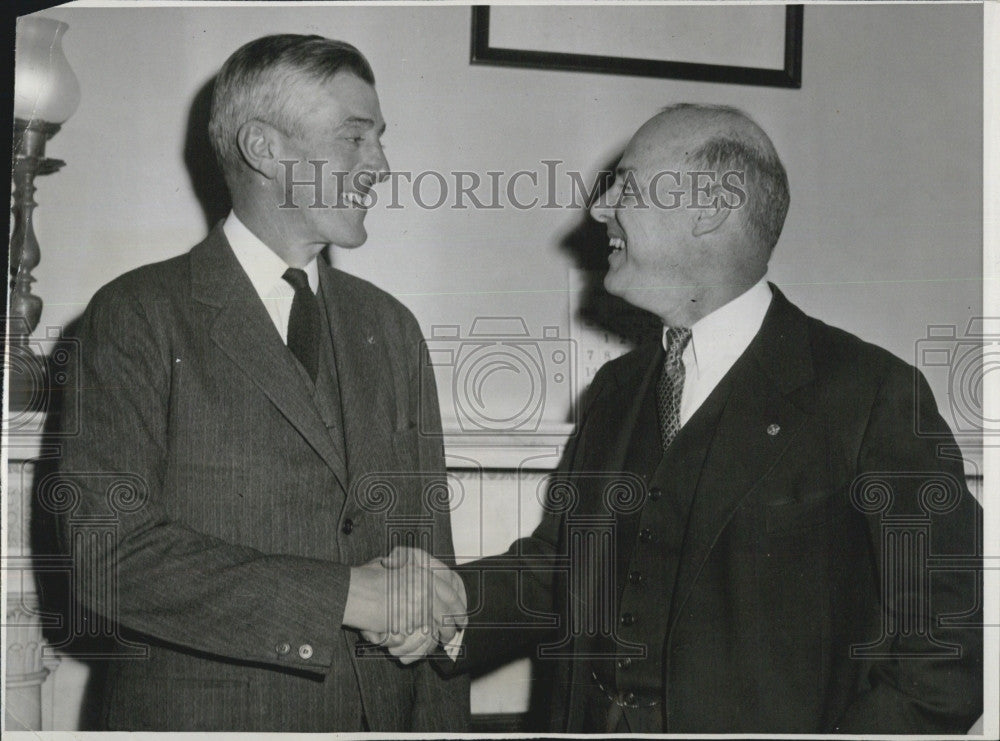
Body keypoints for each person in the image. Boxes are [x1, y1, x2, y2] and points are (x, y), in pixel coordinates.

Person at [394, 103, 983, 733]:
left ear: (711, 207)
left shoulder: (870, 395)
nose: (598, 210)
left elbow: (949, 653)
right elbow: (562, 571)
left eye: (625, 183)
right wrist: (448, 605)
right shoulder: (617, 390)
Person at [56, 34, 469, 732]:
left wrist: (439, 622)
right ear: (263, 148)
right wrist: (351, 597)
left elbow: (429, 556)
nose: (381, 165)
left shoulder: (390, 327)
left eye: (381, 140)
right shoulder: (138, 314)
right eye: (355, 138)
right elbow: (111, 555)